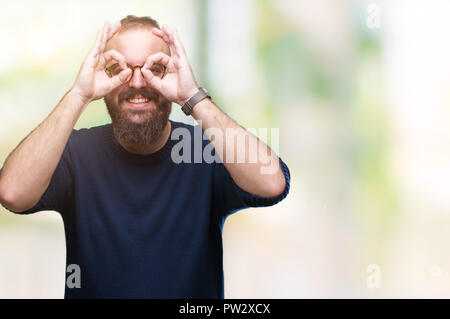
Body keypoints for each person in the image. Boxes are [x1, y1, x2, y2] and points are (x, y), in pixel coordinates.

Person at [0, 15, 290, 298]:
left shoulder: (201, 150)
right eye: (120, 68)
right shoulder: (77, 152)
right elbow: (12, 193)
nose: (138, 82)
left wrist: (192, 96)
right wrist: (78, 95)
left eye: (155, 69)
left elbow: (271, 184)